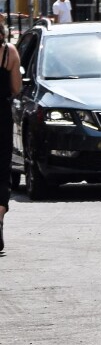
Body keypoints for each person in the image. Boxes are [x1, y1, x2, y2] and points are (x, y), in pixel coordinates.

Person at [0, 23, 20, 253]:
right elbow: (15, 87)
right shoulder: (9, 52)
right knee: (2, 169)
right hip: (2, 117)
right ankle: (0, 215)